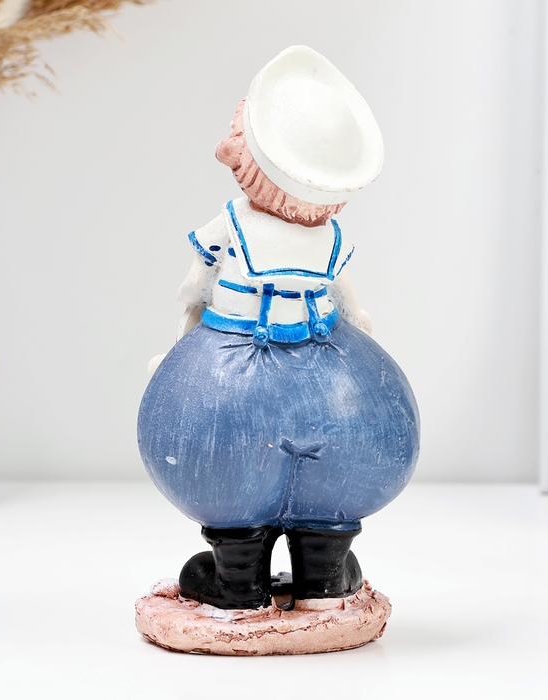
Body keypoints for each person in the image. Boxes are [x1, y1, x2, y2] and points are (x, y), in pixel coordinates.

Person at [138, 46, 419, 610]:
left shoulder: (232, 223)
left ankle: (238, 580)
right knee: (346, 458)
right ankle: (323, 575)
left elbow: (193, 285)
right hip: (331, 362)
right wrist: (361, 327)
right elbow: (348, 297)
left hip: (230, 364)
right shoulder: (328, 238)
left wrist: (183, 333)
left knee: (222, 465)